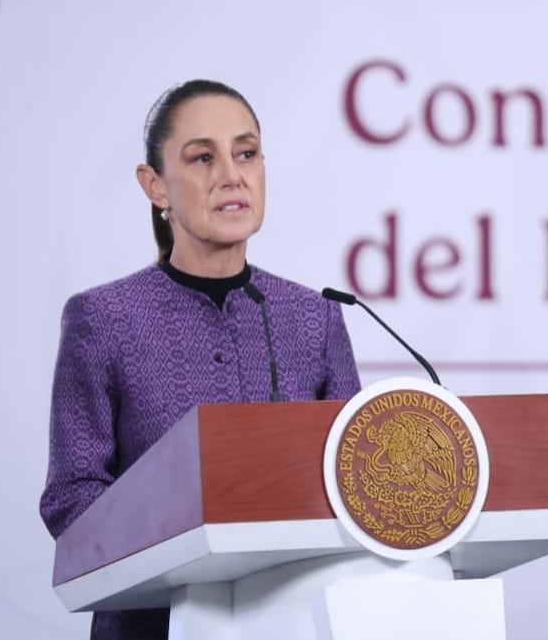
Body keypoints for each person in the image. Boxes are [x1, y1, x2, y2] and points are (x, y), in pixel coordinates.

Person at [39, 80, 362, 640]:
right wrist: (184, 541)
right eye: (202, 158)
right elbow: (72, 497)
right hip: (150, 625)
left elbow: (355, 482)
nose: (232, 176)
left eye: (246, 153)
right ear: (155, 186)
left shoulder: (316, 318)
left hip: (296, 620)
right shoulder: (104, 318)